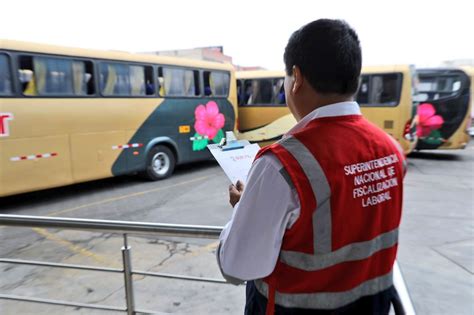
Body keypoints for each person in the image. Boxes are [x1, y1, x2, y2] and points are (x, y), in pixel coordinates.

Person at [217, 19, 406, 315]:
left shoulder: (282, 165)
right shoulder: (392, 150)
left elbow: (237, 267)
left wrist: (244, 211)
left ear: (296, 77)